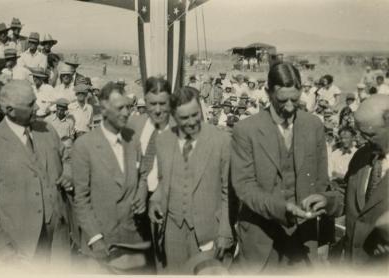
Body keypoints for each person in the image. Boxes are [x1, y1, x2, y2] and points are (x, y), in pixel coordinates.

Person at [230, 63, 340, 273]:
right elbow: (244, 187)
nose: (290, 107)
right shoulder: (246, 130)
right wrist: (282, 208)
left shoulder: (314, 125)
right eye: (282, 100)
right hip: (261, 241)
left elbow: (321, 181)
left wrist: (323, 232)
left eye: (295, 99)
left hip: (302, 240)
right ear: (267, 92)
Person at [0, 80, 72, 266]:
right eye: (30, 104)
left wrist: (67, 173)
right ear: (10, 110)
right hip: (20, 248)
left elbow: (67, 157)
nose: (37, 108)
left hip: (58, 239)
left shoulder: (48, 130)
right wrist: (3, 250)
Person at [148, 86, 233, 274]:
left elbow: (228, 192)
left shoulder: (221, 141)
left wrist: (225, 231)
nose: (192, 122)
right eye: (184, 118)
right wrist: (155, 199)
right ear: (173, 117)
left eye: (195, 115)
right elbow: (164, 182)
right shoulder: (163, 141)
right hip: (172, 231)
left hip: (208, 231)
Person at [71, 81, 147, 269]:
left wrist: (142, 192)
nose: (126, 112)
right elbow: (81, 198)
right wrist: (96, 238)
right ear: (104, 109)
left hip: (132, 241)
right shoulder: (84, 146)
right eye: (120, 108)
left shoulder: (133, 139)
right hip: (101, 245)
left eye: (128, 107)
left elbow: (143, 173)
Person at [312, 95, 389, 272]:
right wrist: (327, 201)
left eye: (370, 134)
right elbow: (347, 195)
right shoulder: (361, 156)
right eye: (360, 133)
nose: (363, 139)